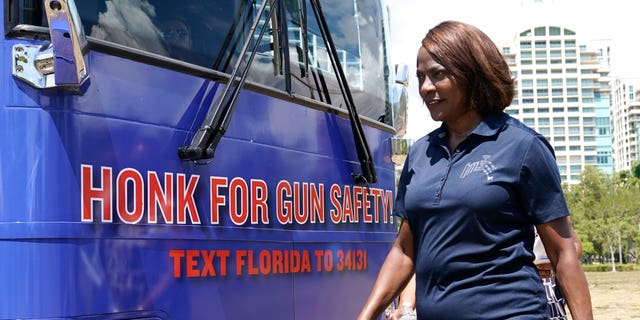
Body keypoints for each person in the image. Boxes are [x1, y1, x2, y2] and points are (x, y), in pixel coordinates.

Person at [357, 20, 593, 320]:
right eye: (420, 77)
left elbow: (563, 253)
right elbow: (404, 252)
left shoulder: (523, 146)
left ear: (470, 74)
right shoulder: (420, 154)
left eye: (438, 74)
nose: (426, 87)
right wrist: (365, 316)